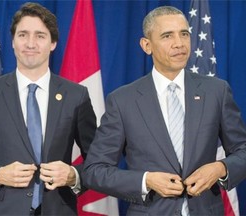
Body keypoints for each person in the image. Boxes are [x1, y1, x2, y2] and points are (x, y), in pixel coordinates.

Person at [82, 5, 246, 216]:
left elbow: (242, 150)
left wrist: (220, 169)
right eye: (167, 36)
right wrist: (146, 180)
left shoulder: (217, 91)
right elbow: (94, 171)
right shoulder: (123, 100)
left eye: (184, 34)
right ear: (147, 45)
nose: (179, 44)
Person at [0, 2, 96, 216]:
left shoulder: (76, 96)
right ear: (13, 41)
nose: (30, 43)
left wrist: (72, 175)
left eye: (40, 36)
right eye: (23, 35)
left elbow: (98, 161)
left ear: (53, 43)